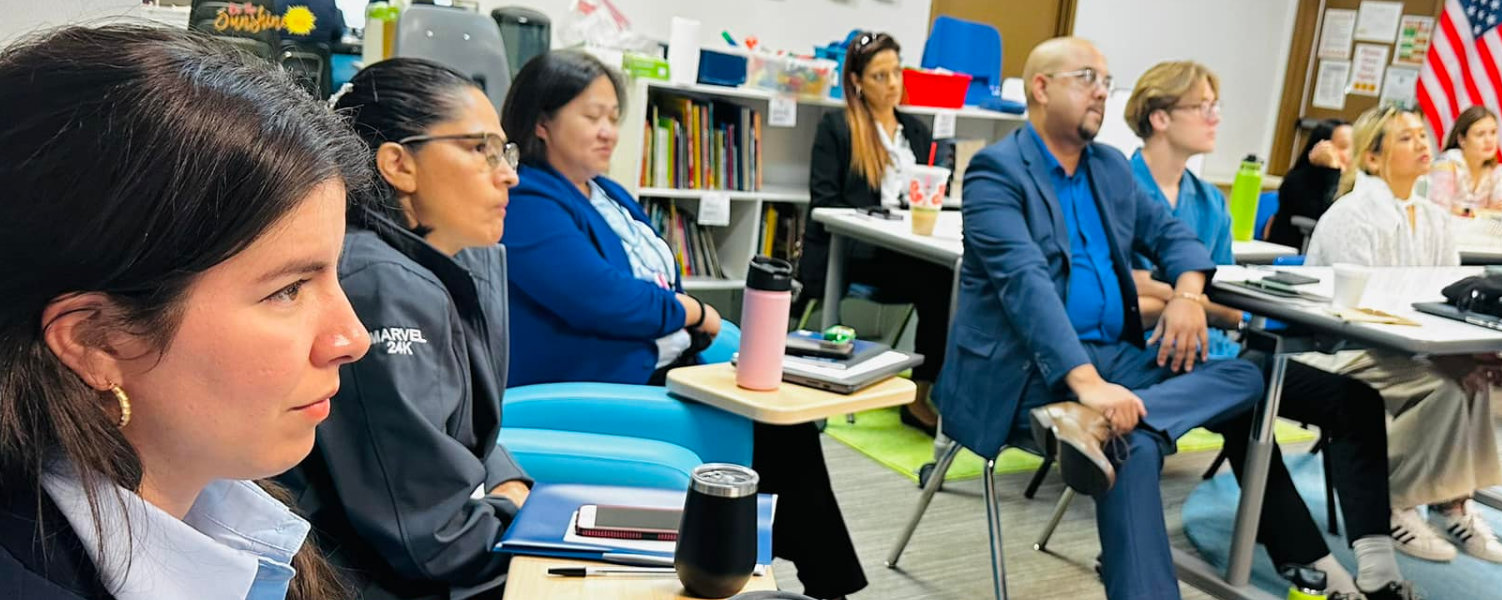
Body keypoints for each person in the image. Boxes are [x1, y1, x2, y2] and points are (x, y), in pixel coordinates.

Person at [937, 38, 1419, 600]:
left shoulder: (1108, 168)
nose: (1101, 91)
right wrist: (1088, 386)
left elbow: (1175, 239)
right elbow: (1027, 289)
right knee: (1135, 448)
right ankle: (1109, 428)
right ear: (1041, 88)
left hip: (1115, 362)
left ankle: (1108, 425)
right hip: (1028, 374)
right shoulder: (996, 173)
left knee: (1253, 376)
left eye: (1105, 79)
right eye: (1087, 77)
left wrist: (1188, 297)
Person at [0, 25, 371, 599]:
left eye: (332, 273)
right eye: (288, 289)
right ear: (97, 340)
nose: (351, 338)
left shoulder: (227, 508)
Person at [499, 51, 866, 599]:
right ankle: (822, 578)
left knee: (785, 423)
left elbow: (660, 280)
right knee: (778, 434)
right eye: (591, 116)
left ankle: (810, 573)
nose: (608, 132)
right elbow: (602, 298)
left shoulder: (607, 192)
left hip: (671, 360)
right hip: (611, 375)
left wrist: (690, 319)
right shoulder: (527, 197)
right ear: (541, 123)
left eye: (613, 117)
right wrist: (694, 314)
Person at [1121, 60, 1407, 598]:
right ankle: (1313, 563)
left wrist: (1179, 296)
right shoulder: (1117, 186)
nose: (1215, 118)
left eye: (1215, 106)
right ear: (1159, 117)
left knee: (1354, 400)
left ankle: (1377, 562)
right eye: (1201, 107)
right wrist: (1186, 297)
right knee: (1248, 403)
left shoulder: (1209, 202)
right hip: (1144, 355)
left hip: (1220, 348)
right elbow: (1120, 292)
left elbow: (1224, 299)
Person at [276, 58, 530, 600]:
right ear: (398, 164)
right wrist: (516, 511)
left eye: (505, 151)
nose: (507, 172)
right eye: (480, 148)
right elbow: (433, 542)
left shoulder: (446, 262)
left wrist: (506, 482)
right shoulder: (380, 284)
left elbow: (464, 431)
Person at [1302, 105, 1502, 564]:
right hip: (1341, 349)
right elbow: (1359, 315)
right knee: (1445, 387)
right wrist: (1442, 359)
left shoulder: (1432, 217)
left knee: (1472, 381)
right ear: (1373, 159)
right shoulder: (1351, 216)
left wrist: (1468, 352)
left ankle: (1452, 502)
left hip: (1405, 349)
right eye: (1406, 138)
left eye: (1423, 135)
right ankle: (1392, 502)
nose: (1422, 145)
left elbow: (1448, 296)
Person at [799, 31, 951, 434]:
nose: (892, 84)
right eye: (880, 76)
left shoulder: (915, 132)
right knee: (938, 281)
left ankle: (928, 387)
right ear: (857, 82)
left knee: (955, 279)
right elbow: (823, 201)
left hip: (908, 248)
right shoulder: (838, 128)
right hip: (855, 252)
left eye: (897, 73)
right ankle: (917, 397)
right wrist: (875, 217)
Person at [1264, 119, 1352, 248]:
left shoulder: (1356, 183)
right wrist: (1332, 171)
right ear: (1321, 147)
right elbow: (1332, 219)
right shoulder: (1297, 181)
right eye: (1344, 146)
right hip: (1294, 258)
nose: (1353, 154)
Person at [1425, 106, 1502, 217]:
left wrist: (1464, 211)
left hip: (1480, 232)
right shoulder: (1446, 165)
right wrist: (1481, 212)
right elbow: (1439, 211)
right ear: (1462, 140)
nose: (1489, 140)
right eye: (1480, 134)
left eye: (1493, 132)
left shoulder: (1494, 170)